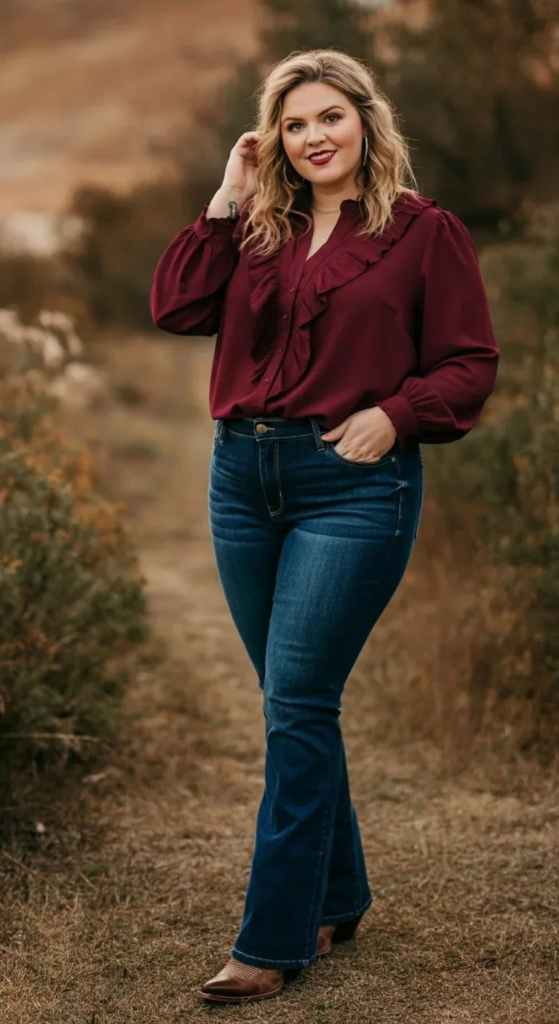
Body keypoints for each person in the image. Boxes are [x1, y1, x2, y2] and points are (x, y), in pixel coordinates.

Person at [150, 49, 499, 1005]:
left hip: (352, 486)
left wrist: (398, 412)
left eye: (329, 118)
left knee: (298, 703)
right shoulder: (258, 229)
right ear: (276, 139)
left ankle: (273, 940)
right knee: (290, 700)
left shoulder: (424, 234)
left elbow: (469, 362)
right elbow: (176, 307)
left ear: (365, 122)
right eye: (294, 124)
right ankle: (337, 893)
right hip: (240, 479)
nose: (313, 138)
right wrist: (226, 196)